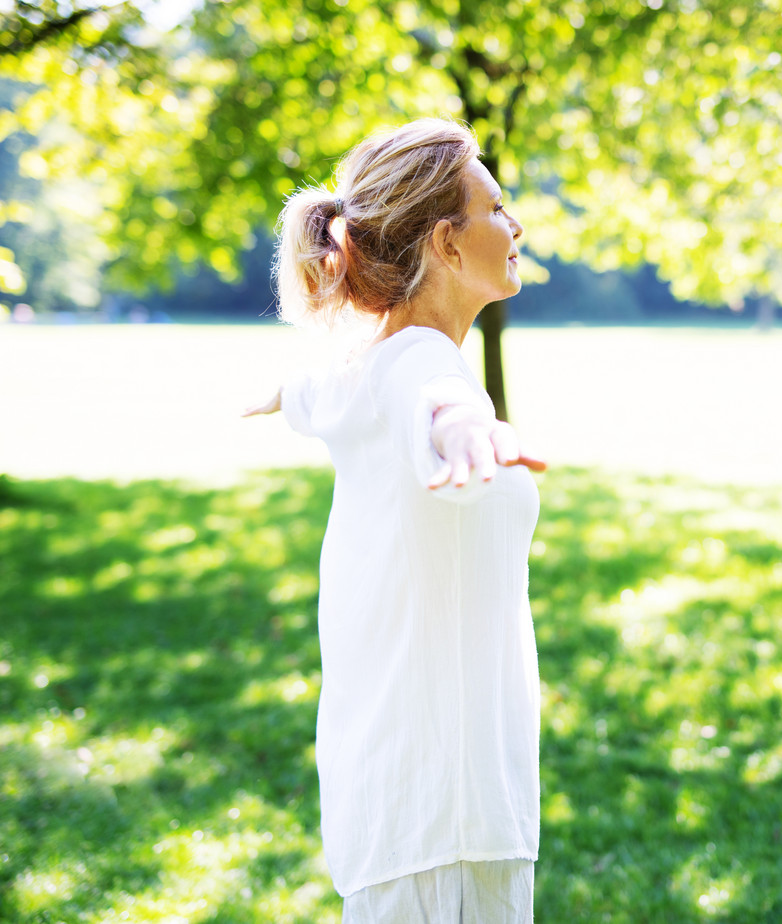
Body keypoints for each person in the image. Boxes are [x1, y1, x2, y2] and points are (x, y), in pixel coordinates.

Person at [243, 117, 547, 923]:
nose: (513, 226)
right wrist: (467, 431)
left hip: (399, 809)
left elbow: (314, 389)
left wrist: (283, 390)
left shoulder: (360, 370)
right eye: (495, 208)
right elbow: (435, 403)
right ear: (446, 244)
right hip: (451, 827)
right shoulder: (420, 364)